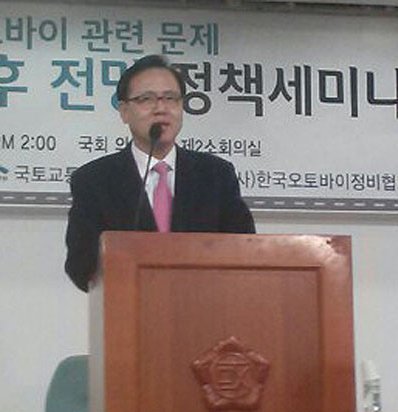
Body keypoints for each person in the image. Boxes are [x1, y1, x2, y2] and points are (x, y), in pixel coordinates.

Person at [65, 55, 255, 292]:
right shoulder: (94, 180)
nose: (161, 109)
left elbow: (245, 251)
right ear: (124, 111)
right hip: (128, 307)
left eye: (171, 98)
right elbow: (80, 264)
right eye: (146, 99)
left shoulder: (216, 175)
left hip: (206, 305)